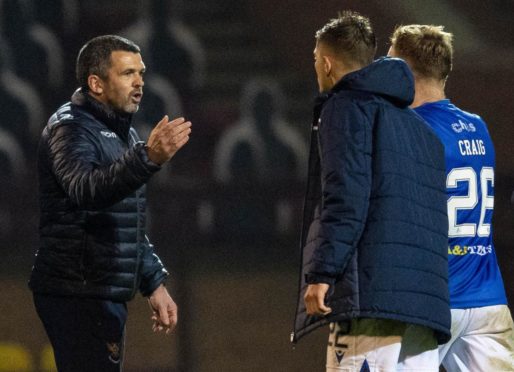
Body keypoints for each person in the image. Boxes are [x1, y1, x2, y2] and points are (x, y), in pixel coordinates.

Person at [292, 12, 451, 371]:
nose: (317, 68)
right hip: (424, 307)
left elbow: (346, 195)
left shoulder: (344, 108)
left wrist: (322, 273)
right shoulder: (418, 127)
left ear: (328, 63)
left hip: (373, 299)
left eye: (316, 60)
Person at [29, 35, 192, 371]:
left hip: (96, 287)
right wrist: (146, 158)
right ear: (96, 83)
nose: (139, 82)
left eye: (141, 73)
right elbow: (86, 191)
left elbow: (123, 219)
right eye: (127, 73)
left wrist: (154, 282)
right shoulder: (71, 128)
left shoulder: (122, 135)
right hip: (78, 289)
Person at [389, 24, 514, 371]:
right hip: (487, 300)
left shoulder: (407, 129)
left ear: (403, 70)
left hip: (428, 301)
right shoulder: (478, 127)